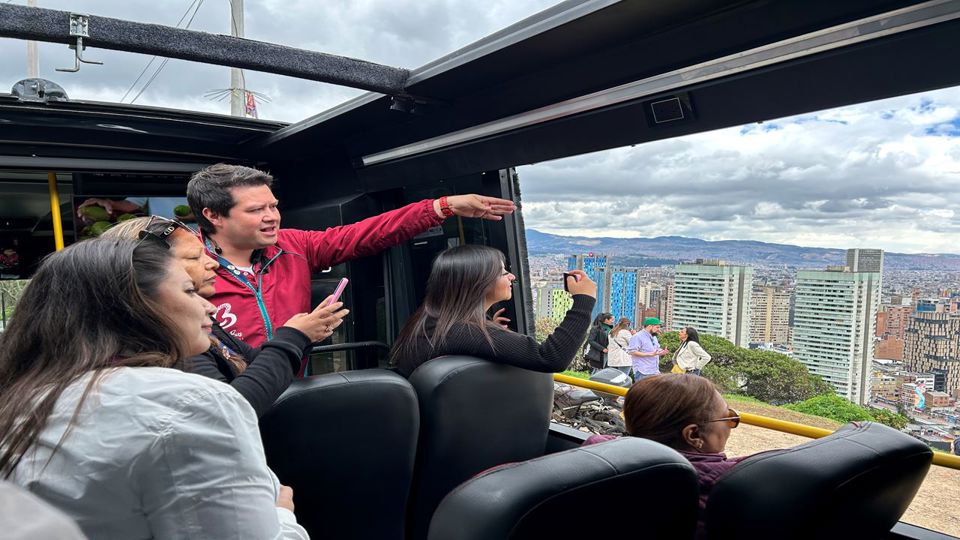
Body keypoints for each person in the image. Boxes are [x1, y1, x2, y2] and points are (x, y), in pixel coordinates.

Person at [0, 238, 309, 539]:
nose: (209, 308)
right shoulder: (194, 403)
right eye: (189, 291)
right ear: (134, 306)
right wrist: (283, 517)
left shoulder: (25, 397)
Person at [187, 163, 517, 349]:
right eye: (256, 209)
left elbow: (365, 234)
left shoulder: (293, 246)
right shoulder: (181, 268)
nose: (272, 216)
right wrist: (298, 335)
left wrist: (442, 207)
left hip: (293, 389)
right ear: (214, 215)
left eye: (273, 206)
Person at [104, 216, 348, 417]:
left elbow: (252, 362)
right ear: (146, 272)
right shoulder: (166, 342)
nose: (214, 265)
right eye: (193, 257)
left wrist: (303, 335)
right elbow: (232, 408)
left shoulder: (195, 325)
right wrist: (293, 337)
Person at [588, 374, 763, 540]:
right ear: (693, 435)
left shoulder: (597, 455)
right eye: (729, 417)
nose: (732, 423)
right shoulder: (731, 488)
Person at [390, 245, 596, 377]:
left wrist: (488, 328)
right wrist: (584, 300)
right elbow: (552, 357)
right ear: (478, 283)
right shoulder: (467, 332)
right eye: (503, 272)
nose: (512, 277)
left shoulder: (430, 321)